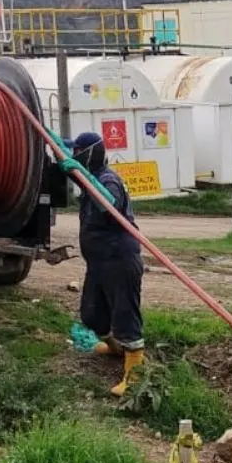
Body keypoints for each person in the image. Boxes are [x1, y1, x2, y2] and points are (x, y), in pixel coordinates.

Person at [70, 131, 145, 396]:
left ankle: (134, 376)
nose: (74, 157)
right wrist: (58, 146)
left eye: (79, 153)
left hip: (119, 259)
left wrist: (86, 177)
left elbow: (109, 204)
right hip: (99, 262)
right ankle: (116, 350)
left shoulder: (107, 180)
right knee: (92, 314)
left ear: (90, 155)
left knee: (125, 315)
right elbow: (70, 161)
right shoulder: (90, 177)